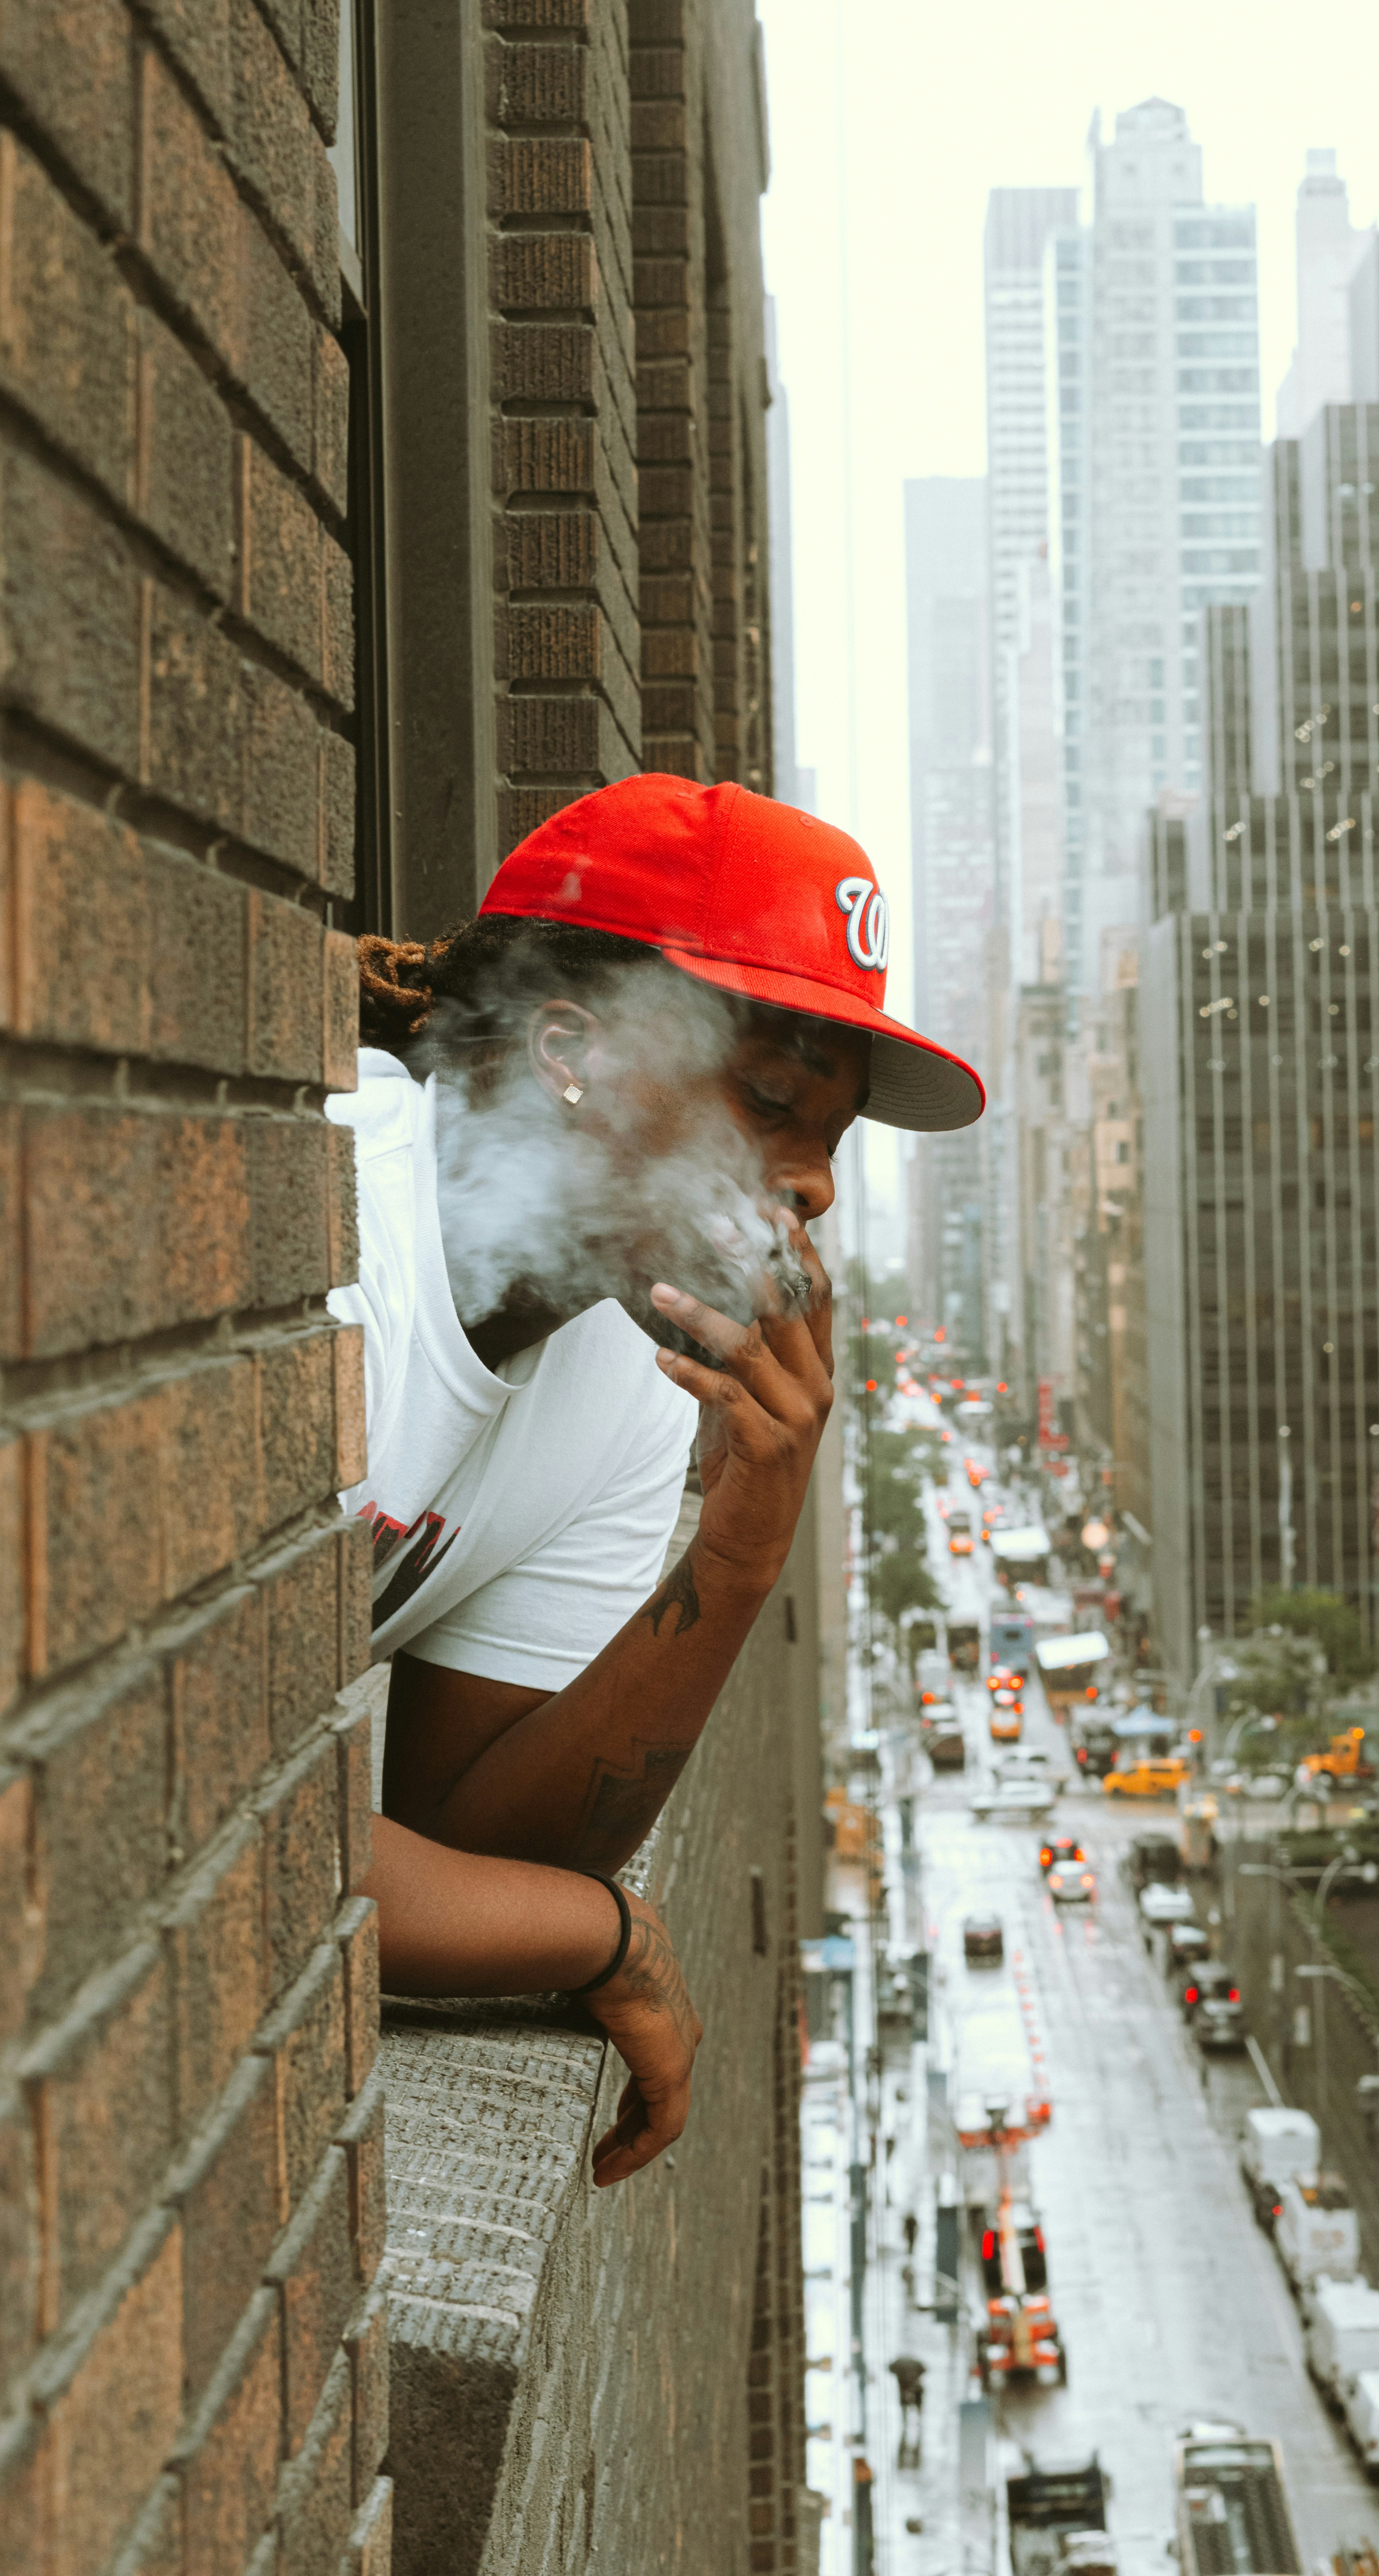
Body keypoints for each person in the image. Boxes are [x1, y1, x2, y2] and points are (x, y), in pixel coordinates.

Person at [343, 777, 981, 2183]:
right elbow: (229, 1837)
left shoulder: (629, 1384)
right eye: (769, 1103)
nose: (811, 1186)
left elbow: (468, 1838)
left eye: (833, 1135)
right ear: (572, 1049)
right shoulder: (326, 1244)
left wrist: (743, 1550)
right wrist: (612, 1937)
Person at [888, 2352, 927, 2462]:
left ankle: (906, 2420)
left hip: (905, 2388)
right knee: (917, 2405)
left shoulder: (899, 2364)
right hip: (915, 2387)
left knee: (905, 2405)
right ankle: (917, 2419)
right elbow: (924, 2370)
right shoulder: (916, 2363)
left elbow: (890, 2369)